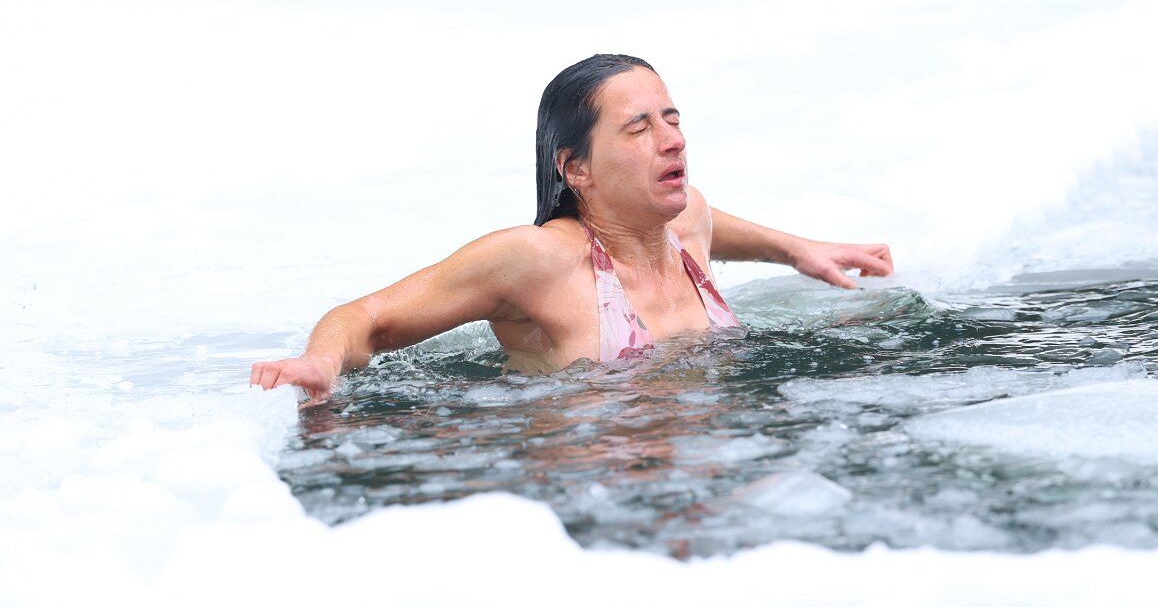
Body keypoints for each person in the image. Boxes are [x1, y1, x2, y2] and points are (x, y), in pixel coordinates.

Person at [250, 53, 894, 397]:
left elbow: (710, 219)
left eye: (672, 119)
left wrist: (796, 249)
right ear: (576, 168)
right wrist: (321, 361)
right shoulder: (537, 263)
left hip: (698, 469)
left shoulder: (684, 223)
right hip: (584, 492)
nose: (672, 140)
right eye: (638, 128)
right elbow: (365, 315)